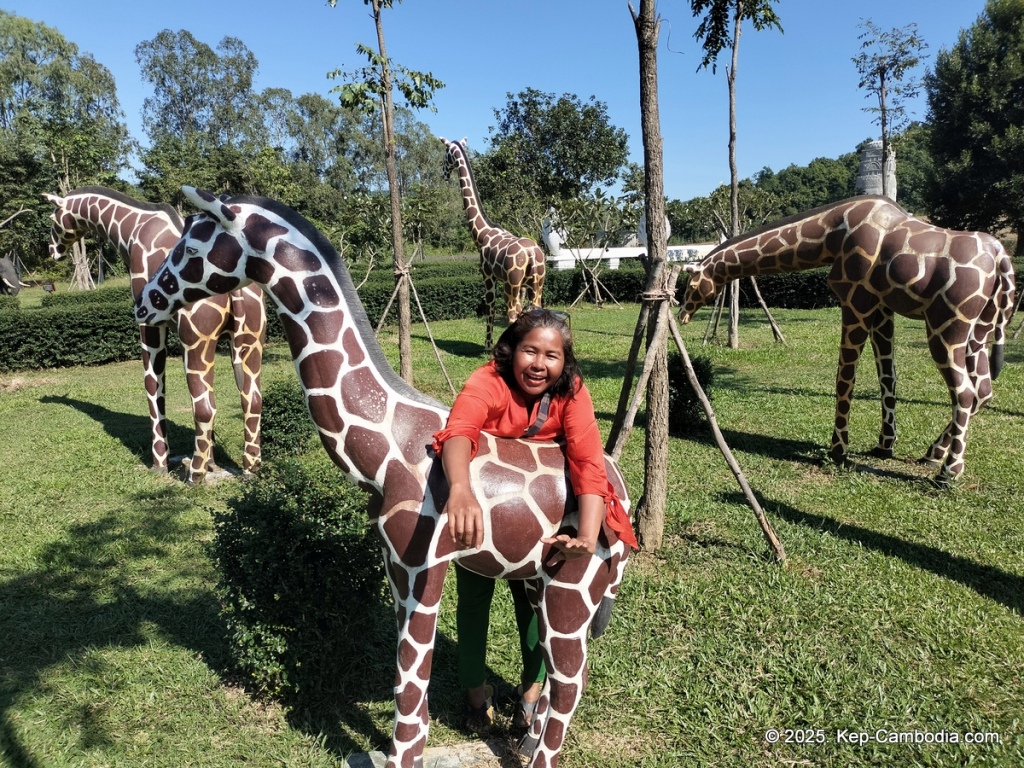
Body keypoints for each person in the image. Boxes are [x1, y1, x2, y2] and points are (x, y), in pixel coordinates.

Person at [431, 308, 638, 744]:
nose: (540, 364)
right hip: (483, 516)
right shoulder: (488, 379)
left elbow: (588, 461)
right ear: (511, 349)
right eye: (530, 351)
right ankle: (476, 698)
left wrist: (586, 534)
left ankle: (529, 694)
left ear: (566, 362)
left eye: (552, 355)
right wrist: (461, 490)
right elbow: (460, 429)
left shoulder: (572, 391)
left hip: (542, 518)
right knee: (472, 604)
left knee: (534, 606)